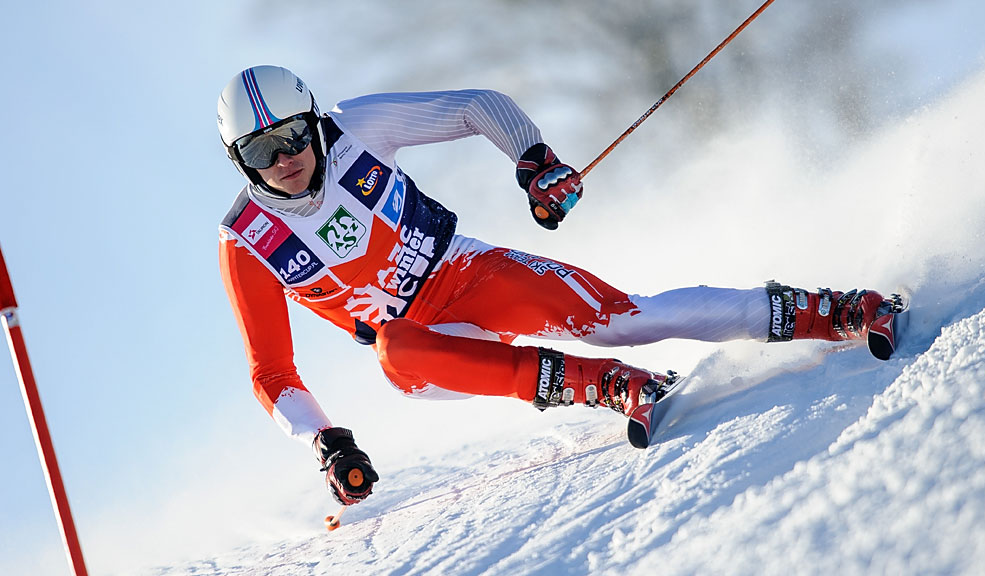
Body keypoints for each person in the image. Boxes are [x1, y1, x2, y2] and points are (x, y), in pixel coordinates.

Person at [216, 65, 902, 507]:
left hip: (468, 271)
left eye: (290, 139)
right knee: (395, 347)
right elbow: (271, 371)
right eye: (258, 153)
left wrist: (534, 163)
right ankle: (609, 384)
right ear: (238, 162)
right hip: (432, 347)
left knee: (626, 317)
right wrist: (326, 442)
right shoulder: (247, 238)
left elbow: (476, 105)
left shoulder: (358, 128)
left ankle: (832, 312)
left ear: (312, 121)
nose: (282, 162)